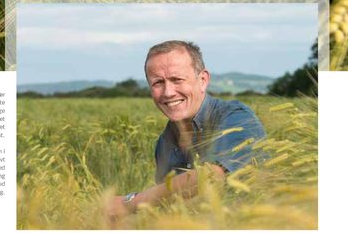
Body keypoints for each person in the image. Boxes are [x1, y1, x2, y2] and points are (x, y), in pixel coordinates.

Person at [105, 40, 266, 223]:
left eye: (177, 80)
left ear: (203, 80)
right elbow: (170, 206)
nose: (168, 92)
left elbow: (211, 176)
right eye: (158, 83)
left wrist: (130, 203)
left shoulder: (236, 117)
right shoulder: (164, 143)